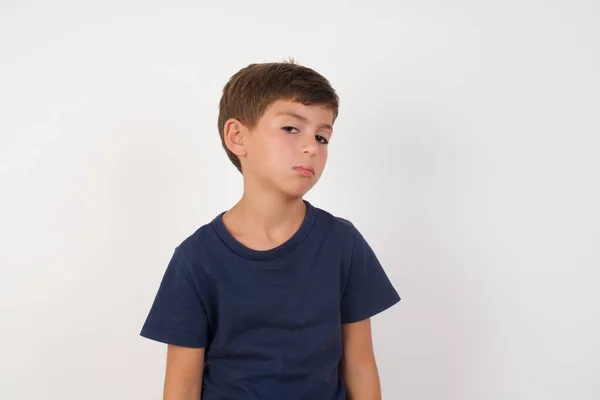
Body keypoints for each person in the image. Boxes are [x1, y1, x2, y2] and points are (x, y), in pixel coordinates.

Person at [140, 60, 401, 400]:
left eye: (322, 136)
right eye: (291, 129)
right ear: (237, 137)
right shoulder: (195, 259)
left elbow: (360, 365)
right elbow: (182, 385)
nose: (312, 147)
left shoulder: (342, 243)